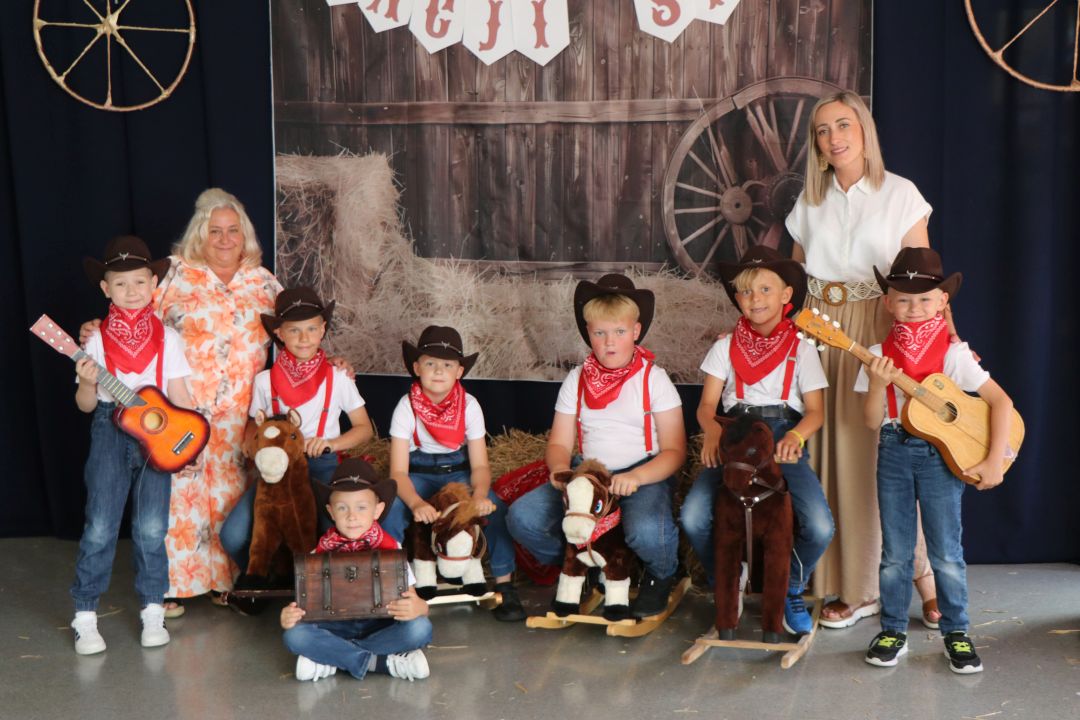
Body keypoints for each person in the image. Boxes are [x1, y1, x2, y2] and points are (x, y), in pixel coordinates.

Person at [81, 189, 281, 617]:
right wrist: (96, 329)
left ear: (245, 235)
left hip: (238, 415)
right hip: (175, 409)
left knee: (229, 495)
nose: (224, 239)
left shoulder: (264, 283)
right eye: (214, 231)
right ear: (199, 235)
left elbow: (296, 335)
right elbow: (130, 313)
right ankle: (168, 587)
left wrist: (334, 363)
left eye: (233, 231)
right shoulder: (175, 275)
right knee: (176, 498)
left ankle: (225, 582)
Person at [785, 91, 941, 629]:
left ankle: (913, 578)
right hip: (818, 330)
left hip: (877, 328)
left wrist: (946, 342)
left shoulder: (901, 195)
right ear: (816, 144)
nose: (835, 138)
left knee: (882, 456)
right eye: (823, 130)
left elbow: (924, 281)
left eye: (843, 125)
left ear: (864, 130)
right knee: (831, 456)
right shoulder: (809, 201)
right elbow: (791, 279)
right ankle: (851, 585)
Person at [856, 248, 1012, 673]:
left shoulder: (953, 355)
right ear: (887, 302)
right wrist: (876, 384)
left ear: (943, 301)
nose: (914, 307)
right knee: (895, 552)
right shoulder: (877, 353)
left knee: (945, 551)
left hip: (941, 458)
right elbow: (870, 421)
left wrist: (994, 461)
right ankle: (892, 630)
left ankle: (956, 631)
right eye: (903, 299)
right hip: (893, 450)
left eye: (925, 298)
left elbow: (1000, 402)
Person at [507, 274, 687, 618]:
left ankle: (661, 574)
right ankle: (585, 562)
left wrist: (637, 476)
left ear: (636, 331)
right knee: (523, 517)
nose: (609, 342)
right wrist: (561, 469)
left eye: (619, 332)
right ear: (588, 333)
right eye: (600, 333)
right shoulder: (577, 379)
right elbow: (559, 442)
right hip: (588, 476)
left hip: (641, 472)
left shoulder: (653, 379)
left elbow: (675, 451)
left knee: (646, 531)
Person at [679, 246, 833, 635]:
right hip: (734, 434)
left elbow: (816, 411)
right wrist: (712, 431)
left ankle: (790, 586)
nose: (755, 299)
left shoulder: (802, 349)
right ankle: (728, 582)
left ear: (786, 295)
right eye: (746, 292)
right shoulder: (725, 346)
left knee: (819, 526)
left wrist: (796, 435)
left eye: (765, 290)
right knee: (693, 516)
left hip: (781, 434)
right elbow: (707, 406)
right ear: (737, 298)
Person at [69, 236, 195, 654]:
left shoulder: (168, 338)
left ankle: (152, 610)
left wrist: (188, 444)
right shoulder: (95, 339)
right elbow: (86, 405)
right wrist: (87, 382)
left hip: (158, 437)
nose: (131, 290)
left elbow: (179, 396)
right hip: (109, 428)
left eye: (140, 281)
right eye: (120, 284)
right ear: (105, 288)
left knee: (151, 528)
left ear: (153, 284)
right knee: (101, 525)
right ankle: (85, 615)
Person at [219, 286, 374, 573]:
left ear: (322, 329)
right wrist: (252, 444)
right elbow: (254, 423)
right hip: (276, 469)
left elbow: (364, 429)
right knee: (233, 536)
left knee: (334, 532)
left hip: (320, 464)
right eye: (294, 330)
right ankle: (270, 582)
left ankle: (317, 586)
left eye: (312, 329)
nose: (304, 338)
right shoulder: (265, 381)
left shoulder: (338, 377)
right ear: (279, 333)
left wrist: (331, 443)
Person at [381, 326, 525, 622]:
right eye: (430, 363)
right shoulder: (406, 407)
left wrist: (480, 496)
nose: (438, 371)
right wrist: (415, 503)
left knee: (496, 510)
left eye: (447, 365)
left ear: (459, 371)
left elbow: (480, 465)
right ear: (416, 368)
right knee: (391, 509)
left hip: (458, 471)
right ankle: (391, 585)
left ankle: (504, 584)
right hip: (417, 473)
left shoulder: (469, 406)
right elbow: (398, 472)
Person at [281, 458, 433, 682]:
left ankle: (331, 657)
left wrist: (420, 607)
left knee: (420, 628)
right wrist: (289, 615)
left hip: (381, 626)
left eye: (361, 507)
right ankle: (379, 662)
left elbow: (415, 602)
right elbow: (303, 607)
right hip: (335, 627)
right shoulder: (318, 554)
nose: (352, 516)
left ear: (377, 510)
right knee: (295, 635)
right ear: (331, 511)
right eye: (342, 508)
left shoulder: (392, 549)